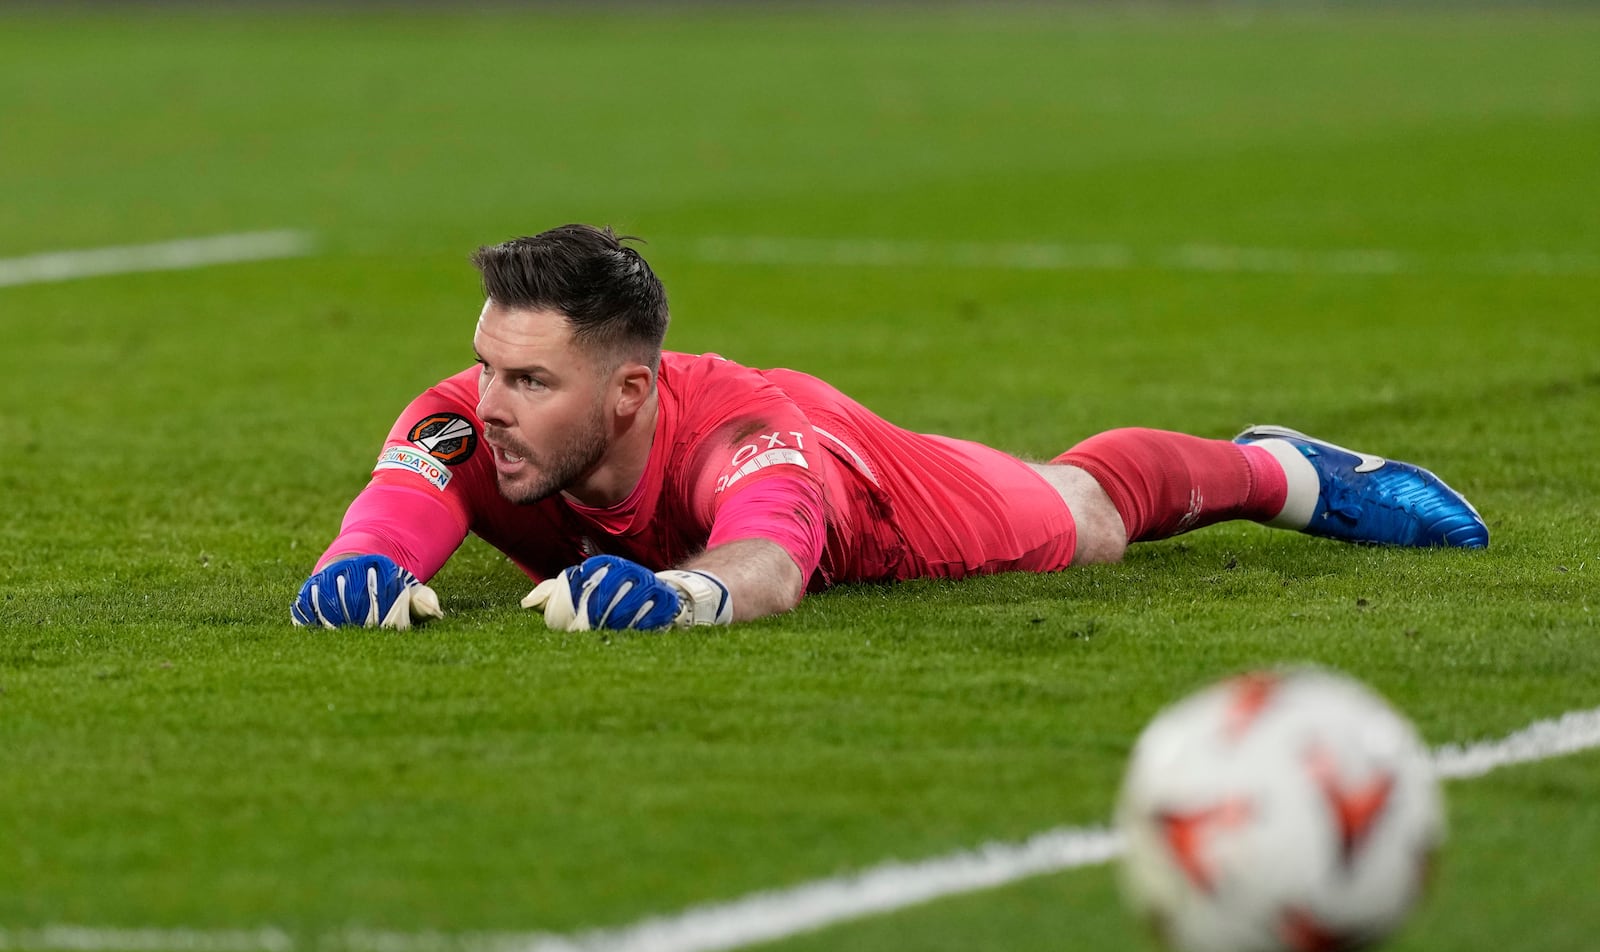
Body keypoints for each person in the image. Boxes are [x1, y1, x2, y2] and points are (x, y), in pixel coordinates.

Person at [292, 224, 1487, 633]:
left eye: (531, 381)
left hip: (854, 489)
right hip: (762, 474)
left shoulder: (740, 439)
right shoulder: (467, 415)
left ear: (628, 393)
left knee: (1079, 514)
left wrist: (688, 595)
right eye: (487, 364)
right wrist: (358, 572)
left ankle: (1284, 469)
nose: (490, 402)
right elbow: (397, 507)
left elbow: (763, 559)